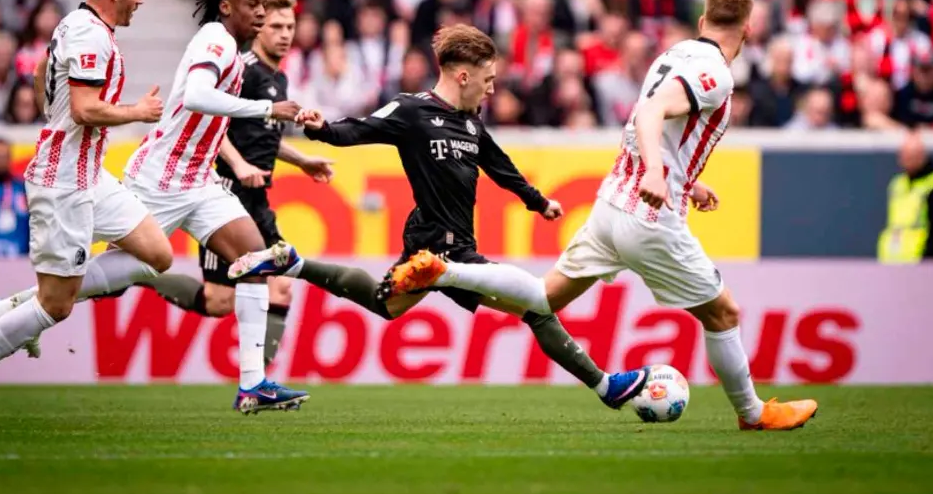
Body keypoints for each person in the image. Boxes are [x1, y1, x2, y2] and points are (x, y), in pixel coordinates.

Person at [379, 0, 819, 431]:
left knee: (541, 300)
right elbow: (649, 113)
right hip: (647, 218)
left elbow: (648, 125)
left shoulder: (677, 53)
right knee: (724, 314)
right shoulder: (717, 73)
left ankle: (440, 272)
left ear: (703, 23)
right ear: (748, 30)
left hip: (612, 205)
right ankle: (753, 413)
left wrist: (684, 180)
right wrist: (653, 173)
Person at [233, 24, 651, 407]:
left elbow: (499, 166)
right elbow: (357, 130)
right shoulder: (411, 110)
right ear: (463, 76)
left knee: (386, 306)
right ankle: (607, 387)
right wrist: (321, 128)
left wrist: (538, 202)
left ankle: (295, 263)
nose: (491, 91)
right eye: (488, 81)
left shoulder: (470, 124)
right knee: (536, 307)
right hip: (437, 244)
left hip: (450, 246)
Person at [0, 0, 310, 415]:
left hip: (197, 181)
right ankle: (5, 310)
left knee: (255, 257)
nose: (260, 12)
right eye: (251, 4)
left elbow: (210, 121)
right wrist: (265, 109)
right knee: (111, 278)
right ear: (226, 7)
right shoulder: (215, 41)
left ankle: (253, 385)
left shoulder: (232, 50)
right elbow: (197, 96)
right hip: (161, 180)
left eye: (264, 6)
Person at [0, 0, 173, 430]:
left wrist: (52, 113)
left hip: (90, 173)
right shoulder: (87, 33)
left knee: (156, 253)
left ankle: (4, 308)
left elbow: (41, 74)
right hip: (62, 180)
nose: (141, 0)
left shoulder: (75, 25)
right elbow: (83, 109)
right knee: (56, 305)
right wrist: (136, 112)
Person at [140, 0, 334, 368]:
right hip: (224, 195)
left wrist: (302, 161)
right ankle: (141, 278)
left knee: (281, 283)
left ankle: (262, 378)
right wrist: (239, 164)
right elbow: (214, 124)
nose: (284, 34)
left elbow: (262, 136)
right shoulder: (241, 71)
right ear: (259, 28)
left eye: (290, 27)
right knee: (218, 301)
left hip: (258, 199)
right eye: (276, 26)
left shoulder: (278, 78)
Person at [878, 130, 933, 263]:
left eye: (912, 155)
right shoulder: (897, 184)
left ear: (922, 156)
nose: (907, 159)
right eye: (904, 155)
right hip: (893, 258)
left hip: (923, 259)